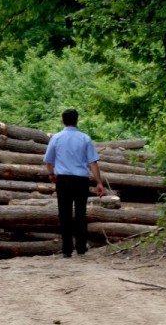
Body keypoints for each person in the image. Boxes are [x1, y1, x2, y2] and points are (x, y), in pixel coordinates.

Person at [43, 108, 104, 257]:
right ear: (77, 120)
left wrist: (51, 174)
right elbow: (93, 163)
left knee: (64, 214)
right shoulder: (85, 138)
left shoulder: (56, 138)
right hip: (81, 180)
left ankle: (67, 249)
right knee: (81, 214)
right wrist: (99, 182)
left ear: (62, 120)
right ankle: (81, 247)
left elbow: (48, 161)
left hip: (63, 179)